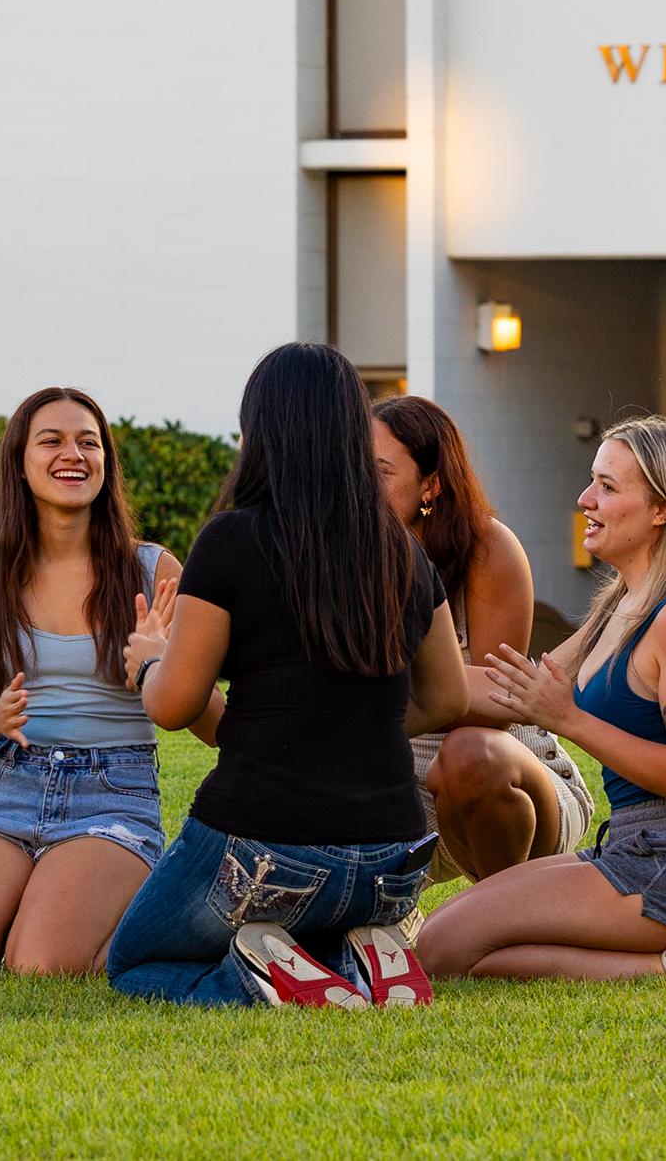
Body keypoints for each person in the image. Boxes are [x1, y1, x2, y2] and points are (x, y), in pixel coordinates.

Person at [105, 343, 468, 1009]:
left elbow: (175, 703)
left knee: (135, 961)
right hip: (390, 861)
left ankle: (264, 980)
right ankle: (362, 956)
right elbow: (450, 695)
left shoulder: (230, 541)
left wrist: (149, 659)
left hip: (267, 848)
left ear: (258, 433)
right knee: (307, 919)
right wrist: (349, 726)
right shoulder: (401, 550)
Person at [418, 417, 666, 981]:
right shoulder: (624, 601)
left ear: (662, 509)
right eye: (593, 481)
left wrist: (569, 720)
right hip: (631, 851)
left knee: (440, 951)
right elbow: (519, 686)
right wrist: (374, 688)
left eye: (608, 487)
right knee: (439, 941)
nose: (586, 499)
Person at [0, 387, 221, 977]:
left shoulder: (153, 570)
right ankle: (32, 901)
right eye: (51, 441)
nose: (73, 454)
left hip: (111, 793)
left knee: (42, 965)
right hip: (7, 788)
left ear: (106, 463)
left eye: (88, 443)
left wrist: (162, 666)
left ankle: (117, 912)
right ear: (19, 464)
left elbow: (214, 725)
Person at [373, 394, 594, 886]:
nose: (363, 487)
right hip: (396, 785)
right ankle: (381, 911)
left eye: (382, 472)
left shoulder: (488, 549)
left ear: (431, 485)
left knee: (469, 753)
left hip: (505, 777)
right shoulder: (345, 555)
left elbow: (497, 705)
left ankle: (507, 911)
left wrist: (360, 697)